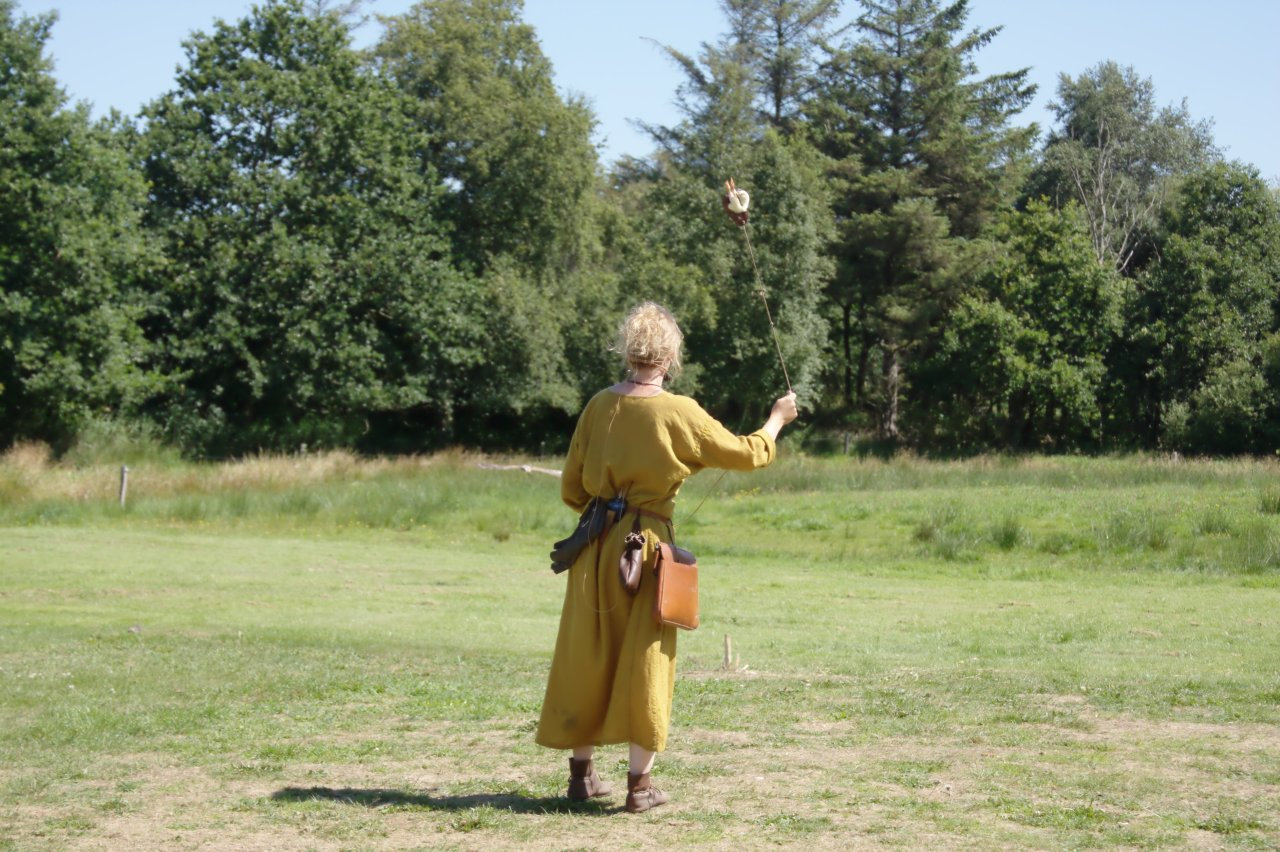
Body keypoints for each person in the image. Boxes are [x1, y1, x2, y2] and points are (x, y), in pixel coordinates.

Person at [535, 301, 799, 813]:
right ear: (671, 356)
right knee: (647, 658)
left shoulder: (596, 406)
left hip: (591, 545)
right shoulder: (680, 411)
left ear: (627, 350)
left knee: (584, 652)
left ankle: (580, 777)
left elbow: (572, 486)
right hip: (647, 550)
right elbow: (748, 454)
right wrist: (776, 420)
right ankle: (640, 787)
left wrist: (607, 509)